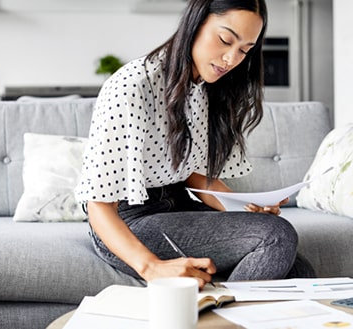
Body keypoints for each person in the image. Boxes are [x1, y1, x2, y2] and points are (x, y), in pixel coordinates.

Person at [75, 0, 315, 289]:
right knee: (277, 236)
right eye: (225, 40)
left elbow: (198, 178)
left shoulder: (204, 87)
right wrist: (151, 267)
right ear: (195, 23)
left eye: (244, 50)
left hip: (177, 206)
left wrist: (247, 209)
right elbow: (98, 204)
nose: (231, 59)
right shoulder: (132, 85)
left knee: (298, 269)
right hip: (128, 221)